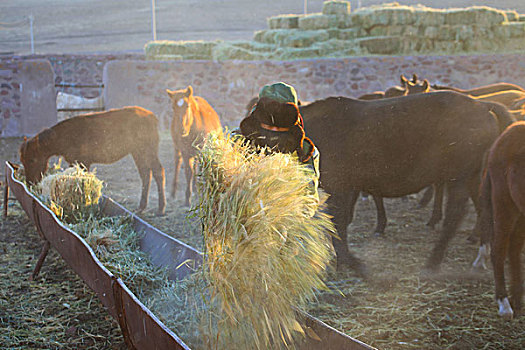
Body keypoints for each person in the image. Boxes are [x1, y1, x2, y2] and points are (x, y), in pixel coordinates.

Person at [233, 82, 320, 200]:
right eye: (269, 122)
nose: (274, 130)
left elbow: (309, 199)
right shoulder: (236, 143)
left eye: (281, 124)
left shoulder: (305, 152)